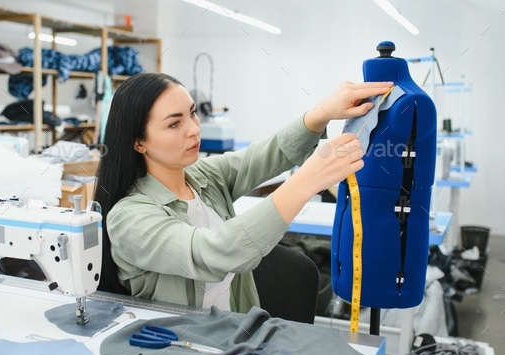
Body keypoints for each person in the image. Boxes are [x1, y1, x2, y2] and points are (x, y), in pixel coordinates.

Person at [94, 72, 393, 313]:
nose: (194, 129)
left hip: (233, 337)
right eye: (175, 123)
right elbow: (216, 252)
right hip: (180, 354)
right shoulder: (129, 218)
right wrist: (307, 180)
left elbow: (266, 154)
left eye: (193, 114)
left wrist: (321, 112)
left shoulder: (202, 177)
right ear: (138, 143)